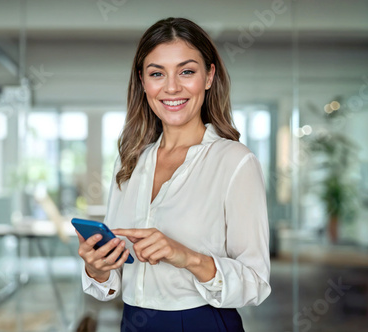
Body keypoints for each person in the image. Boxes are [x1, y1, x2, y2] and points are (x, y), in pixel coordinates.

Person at [76, 17, 271, 332]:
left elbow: (256, 283)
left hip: (202, 322)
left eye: (187, 71)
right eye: (157, 74)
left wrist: (187, 257)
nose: (171, 87)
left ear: (209, 76)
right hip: (133, 322)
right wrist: (97, 268)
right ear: (142, 81)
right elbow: (113, 279)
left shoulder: (235, 161)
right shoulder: (130, 161)